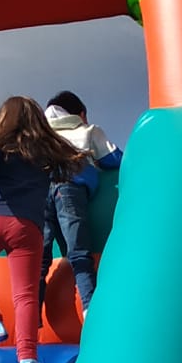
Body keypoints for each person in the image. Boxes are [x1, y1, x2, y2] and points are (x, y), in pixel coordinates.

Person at [0, 96, 87, 363]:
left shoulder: (0, 147)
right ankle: (27, 357)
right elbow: (75, 166)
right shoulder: (45, 156)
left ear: (4, 121)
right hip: (28, 229)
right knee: (25, 296)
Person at [42, 91, 122, 313]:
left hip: (38, 193)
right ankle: (90, 310)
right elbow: (112, 159)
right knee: (79, 253)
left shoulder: (40, 136)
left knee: (39, 260)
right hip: (69, 187)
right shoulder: (86, 130)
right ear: (81, 113)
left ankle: (29, 320)